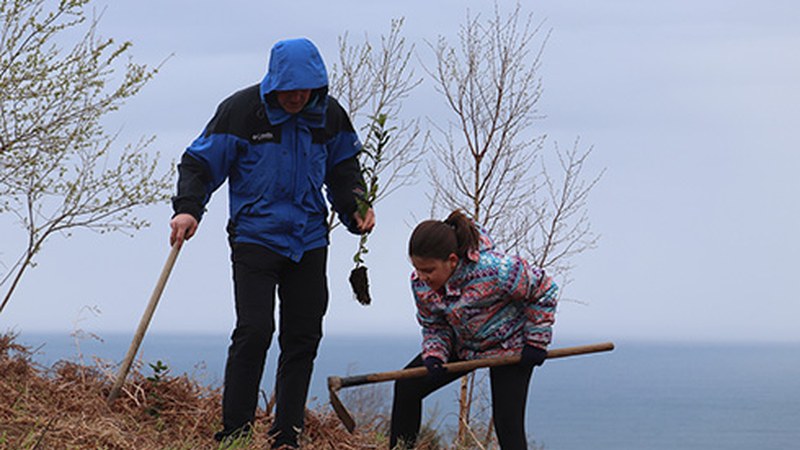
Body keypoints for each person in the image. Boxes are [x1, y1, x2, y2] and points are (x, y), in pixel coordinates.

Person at [169, 37, 375, 449]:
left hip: (309, 238)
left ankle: (286, 436)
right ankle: (236, 433)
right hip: (255, 236)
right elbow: (199, 162)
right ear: (274, 83)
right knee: (255, 329)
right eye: (290, 88)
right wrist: (189, 207)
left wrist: (355, 206)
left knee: (303, 335)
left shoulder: (328, 115)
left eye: (306, 88)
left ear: (318, 85)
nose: (298, 96)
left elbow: (343, 168)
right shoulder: (243, 111)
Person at [390, 210, 557, 450]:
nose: (422, 277)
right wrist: (435, 355)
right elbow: (434, 325)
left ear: (452, 261)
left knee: (508, 425)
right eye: (418, 269)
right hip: (465, 344)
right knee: (407, 386)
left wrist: (536, 342)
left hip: (509, 347)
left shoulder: (496, 270)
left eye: (429, 270)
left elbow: (545, 289)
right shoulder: (420, 284)